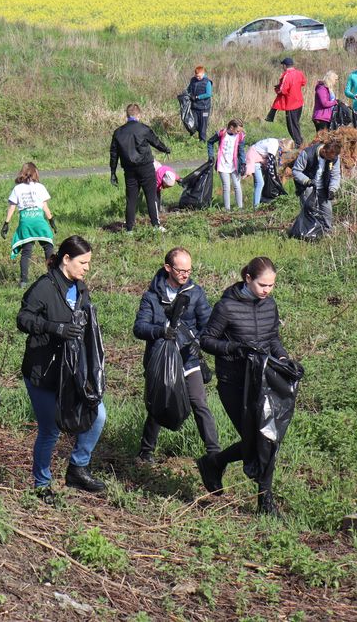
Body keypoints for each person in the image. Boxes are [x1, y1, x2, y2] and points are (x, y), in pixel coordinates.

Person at [199, 257, 292, 517]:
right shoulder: (226, 307)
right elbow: (206, 340)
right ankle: (265, 502)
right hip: (233, 384)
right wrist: (235, 348)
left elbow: (273, 338)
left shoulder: (269, 305)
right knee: (258, 441)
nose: (267, 291)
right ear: (248, 279)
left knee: (266, 439)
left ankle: (215, 463)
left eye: (272, 286)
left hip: (263, 381)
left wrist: (284, 358)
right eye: (263, 285)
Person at [17, 235, 106, 498]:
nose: (86, 268)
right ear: (66, 260)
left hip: (72, 370)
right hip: (43, 371)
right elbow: (23, 319)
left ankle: (78, 469)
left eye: (89, 263)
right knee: (50, 430)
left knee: (98, 415)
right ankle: (41, 484)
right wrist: (54, 328)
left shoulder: (80, 288)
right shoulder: (43, 288)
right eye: (83, 262)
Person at [133, 247, 219, 465]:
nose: (185, 275)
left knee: (199, 403)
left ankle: (214, 454)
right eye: (181, 270)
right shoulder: (151, 297)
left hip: (188, 359)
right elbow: (139, 328)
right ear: (168, 268)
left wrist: (197, 342)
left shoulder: (195, 292)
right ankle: (146, 452)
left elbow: (208, 324)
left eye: (189, 270)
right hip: (161, 361)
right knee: (159, 405)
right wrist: (160, 331)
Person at [110, 103, 171, 232]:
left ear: (127, 115)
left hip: (129, 170)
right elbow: (156, 142)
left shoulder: (118, 132)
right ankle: (155, 225)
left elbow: (114, 154)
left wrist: (113, 172)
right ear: (138, 115)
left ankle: (130, 229)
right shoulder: (143, 129)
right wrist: (165, 149)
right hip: (145, 167)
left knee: (131, 199)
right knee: (151, 196)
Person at [2, 162, 55, 289]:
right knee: (48, 247)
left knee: (26, 253)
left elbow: (12, 207)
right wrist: (51, 220)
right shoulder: (40, 187)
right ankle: (52, 277)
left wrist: (6, 223)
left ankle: (23, 281)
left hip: (25, 222)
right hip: (39, 220)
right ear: (36, 172)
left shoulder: (17, 189)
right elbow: (45, 207)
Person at [291, 139, 342, 232]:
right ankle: (306, 233)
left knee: (327, 212)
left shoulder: (334, 158)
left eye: (332, 159)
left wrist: (332, 189)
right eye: (328, 158)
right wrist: (307, 181)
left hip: (324, 188)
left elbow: (336, 175)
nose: (330, 161)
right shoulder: (307, 154)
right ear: (323, 151)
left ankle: (326, 233)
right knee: (310, 211)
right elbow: (296, 171)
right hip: (307, 187)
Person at [207, 119, 247, 211]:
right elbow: (210, 142)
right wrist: (211, 156)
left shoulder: (240, 136)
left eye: (240, 131)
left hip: (234, 164)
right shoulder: (222, 133)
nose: (239, 132)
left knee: (237, 185)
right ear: (231, 128)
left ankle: (240, 208)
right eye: (237, 130)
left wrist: (243, 164)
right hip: (223, 164)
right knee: (226, 186)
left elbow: (241, 151)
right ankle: (227, 209)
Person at [244, 137, 293, 209]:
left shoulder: (276, 143)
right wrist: (274, 178)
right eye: (286, 151)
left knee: (259, 183)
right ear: (283, 146)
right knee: (260, 183)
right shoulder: (273, 145)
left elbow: (273, 164)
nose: (285, 153)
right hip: (254, 158)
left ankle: (258, 202)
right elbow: (270, 163)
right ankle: (256, 207)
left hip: (259, 157)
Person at [270, 57, 306, 145]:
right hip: (299, 102)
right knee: (296, 123)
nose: (283, 67)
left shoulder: (287, 75)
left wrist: (277, 89)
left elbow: (283, 90)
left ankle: (298, 143)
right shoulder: (299, 73)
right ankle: (300, 141)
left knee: (291, 126)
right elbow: (304, 82)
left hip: (291, 104)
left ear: (285, 66)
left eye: (283, 65)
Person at [186, 66, 213, 141]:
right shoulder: (193, 80)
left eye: (199, 76)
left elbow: (209, 94)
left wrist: (197, 97)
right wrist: (187, 94)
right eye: (196, 76)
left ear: (203, 73)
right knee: (194, 124)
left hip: (204, 108)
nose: (197, 78)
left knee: (203, 125)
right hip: (194, 107)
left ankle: (202, 141)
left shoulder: (207, 82)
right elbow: (189, 89)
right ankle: (194, 135)